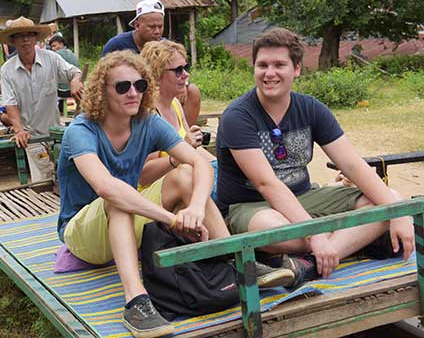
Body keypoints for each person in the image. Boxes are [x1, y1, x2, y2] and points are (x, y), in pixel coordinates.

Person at [57, 51, 293, 338]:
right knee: (118, 198)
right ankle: (136, 301)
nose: (133, 92)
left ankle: (235, 259)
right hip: (83, 233)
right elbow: (106, 187)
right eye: (122, 87)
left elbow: (200, 163)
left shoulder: (147, 122)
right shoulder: (81, 130)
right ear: (101, 92)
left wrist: (194, 207)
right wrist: (170, 218)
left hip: (125, 224)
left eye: (140, 85)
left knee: (183, 174)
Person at [216, 28, 415, 287]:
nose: (269, 73)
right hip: (251, 206)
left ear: (296, 69)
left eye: (279, 65)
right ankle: (350, 240)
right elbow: (267, 184)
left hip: (304, 196)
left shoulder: (311, 108)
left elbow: (352, 164)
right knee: (272, 229)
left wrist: (398, 213)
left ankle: (306, 264)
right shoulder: (238, 116)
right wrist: (314, 233)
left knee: (393, 200)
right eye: (262, 65)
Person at [102, 0, 202, 126]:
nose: (157, 31)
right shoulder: (117, 45)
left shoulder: (165, 47)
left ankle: (184, 133)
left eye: (160, 26)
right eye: (152, 27)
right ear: (137, 25)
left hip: (161, 92)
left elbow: (179, 70)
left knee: (193, 91)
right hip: (132, 92)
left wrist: (183, 85)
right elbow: (102, 77)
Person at [139, 40, 218, 198]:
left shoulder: (174, 104)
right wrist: (178, 156)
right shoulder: (147, 115)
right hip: (154, 192)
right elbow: (144, 176)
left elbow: (192, 150)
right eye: (178, 70)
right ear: (156, 75)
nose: (186, 74)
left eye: (185, 68)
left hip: (182, 180)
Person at [0, 16, 84, 144]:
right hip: (29, 136)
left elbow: (74, 72)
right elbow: (10, 104)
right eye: (20, 36)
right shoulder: (7, 70)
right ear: (13, 40)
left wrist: (75, 81)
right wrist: (19, 131)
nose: (25, 39)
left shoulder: (51, 58)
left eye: (29, 35)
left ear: (36, 38)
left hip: (54, 131)